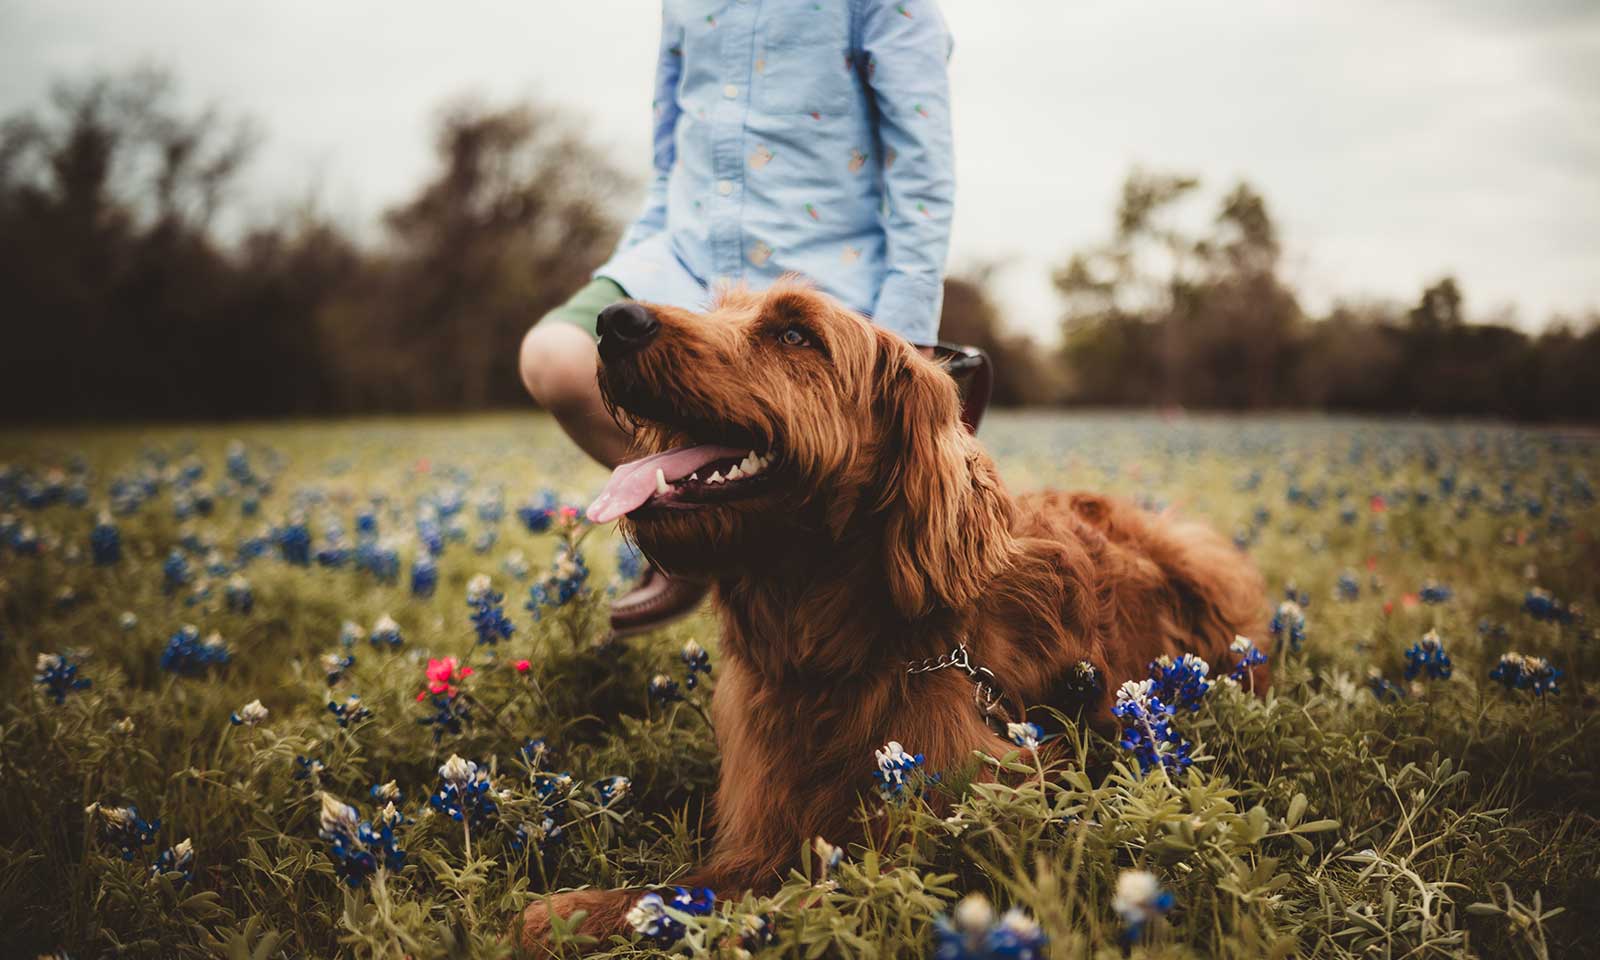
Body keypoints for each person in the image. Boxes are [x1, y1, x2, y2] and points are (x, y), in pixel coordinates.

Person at [519, 0, 988, 638]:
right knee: (555, 357)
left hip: (821, 275)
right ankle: (693, 521)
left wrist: (905, 336)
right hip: (683, 259)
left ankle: (754, 530)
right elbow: (667, 168)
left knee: (830, 469)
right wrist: (633, 262)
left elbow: (921, 173)